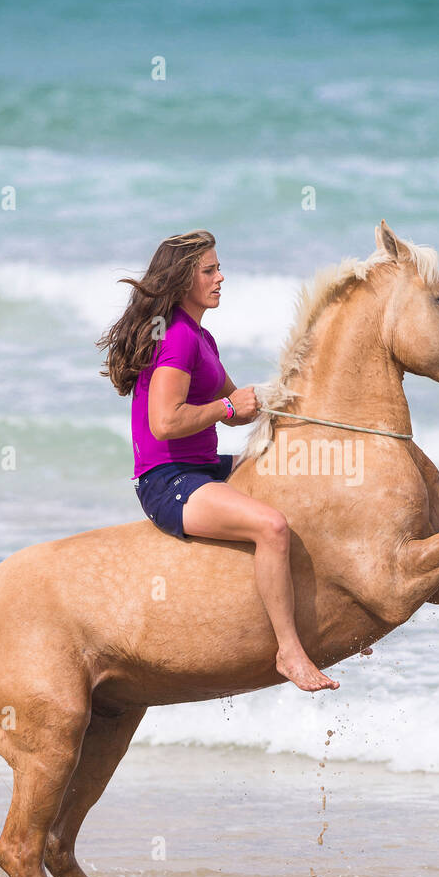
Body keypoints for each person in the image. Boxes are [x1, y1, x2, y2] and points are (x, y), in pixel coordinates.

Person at [97, 230, 338, 693]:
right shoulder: (178, 339)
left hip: (205, 465)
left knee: (296, 474)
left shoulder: (200, 336)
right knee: (271, 526)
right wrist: (229, 410)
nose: (221, 277)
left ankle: (330, 609)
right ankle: (288, 652)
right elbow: (166, 422)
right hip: (169, 481)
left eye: (218, 267)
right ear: (184, 279)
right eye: (209, 270)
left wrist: (313, 406)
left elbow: (241, 401)